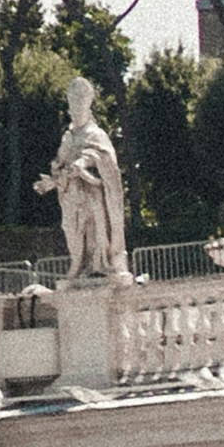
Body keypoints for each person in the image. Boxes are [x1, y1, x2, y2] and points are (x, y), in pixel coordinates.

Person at [53, 69, 133, 287]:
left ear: (88, 103)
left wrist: (85, 163)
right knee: (71, 229)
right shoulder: (68, 137)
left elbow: (106, 161)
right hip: (71, 197)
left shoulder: (96, 134)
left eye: (80, 100)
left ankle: (99, 264)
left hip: (94, 196)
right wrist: (56, 176)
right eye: (72, 100)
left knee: (96, 234)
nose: (75, 106)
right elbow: (59, 164)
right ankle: (78, 264)